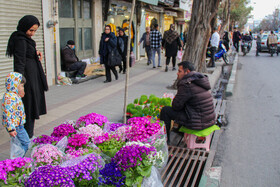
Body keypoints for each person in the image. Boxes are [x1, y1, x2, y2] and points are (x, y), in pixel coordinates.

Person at [6, 15, 48, 139]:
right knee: (28, 108)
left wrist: (35, 53)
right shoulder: (20, 40)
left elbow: (26, 54)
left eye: (35, 30)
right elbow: (19, 63)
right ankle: (27, 137)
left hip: (33, 78)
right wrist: (20, 84)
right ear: (24, 27)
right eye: (31, 30)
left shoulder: (25, 39)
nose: (33, 33)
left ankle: (29, 135)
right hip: (27, 80)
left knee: (31, 107)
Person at [160, 61, 216, 143]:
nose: (177, 73)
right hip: (208, 119)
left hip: (198, 122)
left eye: (180, 71)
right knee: (184, 108)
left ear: (187, 72)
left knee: (165, 111)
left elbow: (176, 106)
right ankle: (180, 131)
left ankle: (165, 140)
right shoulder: (199, 80)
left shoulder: (186, 84)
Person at [2, 72, 30, 158]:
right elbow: (8, 114)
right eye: (21, 86)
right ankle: (17, 160)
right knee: (26, 143)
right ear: (14, 85)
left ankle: (17, 159)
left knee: (20, 143)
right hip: (16, 126)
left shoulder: (13, 95)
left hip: (17, 125)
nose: (22, 88)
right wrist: (11, 129)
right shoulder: (10, 97)